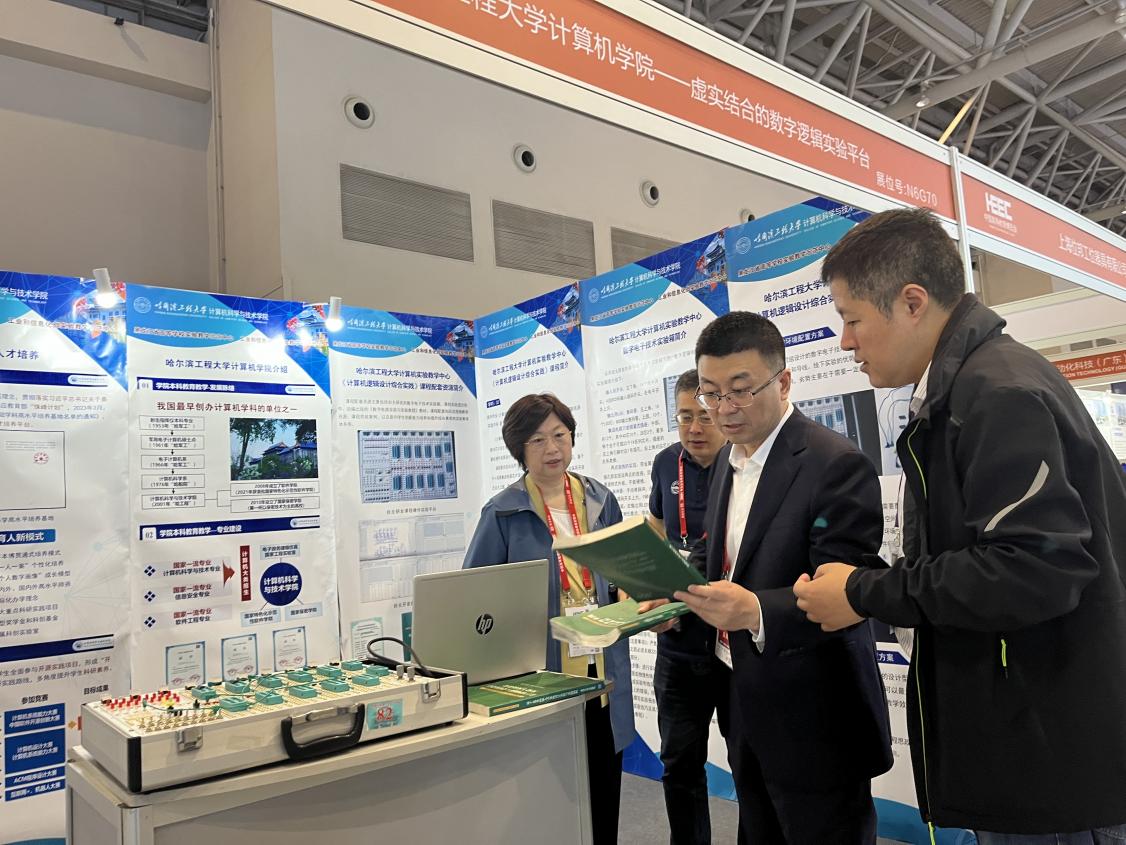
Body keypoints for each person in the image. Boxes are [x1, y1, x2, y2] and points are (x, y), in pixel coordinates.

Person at [793, 207, 1126, 843]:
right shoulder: (971, 388)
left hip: (1051, 758)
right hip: (1032, 737)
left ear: (912, 302)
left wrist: (865, 592)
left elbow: (1034, 569)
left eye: (852, 319)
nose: (845, 342)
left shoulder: (996, 394)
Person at [671, 312, 893, 844]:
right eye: (710, 393)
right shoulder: (728, 461)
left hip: (815, 711)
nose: (723, 409)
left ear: (784, 381)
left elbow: (848, 590)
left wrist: (756, 611)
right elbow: (720, 554)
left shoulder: (834, 463)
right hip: (741, 692)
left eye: (740, 390)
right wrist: (672, 593)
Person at [463, 393, 635, 845]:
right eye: (537, 440)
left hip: (603, 668)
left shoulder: (599, 499)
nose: (552, 448)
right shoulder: (503, 512)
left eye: (559, 435)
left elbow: (621, 573)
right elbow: (476, 598)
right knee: (551, 799)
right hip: (544, 675)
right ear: (519, 449)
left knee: (604, 788)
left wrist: (629, 591)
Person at [646, 369, 727, 845]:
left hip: (732, 640)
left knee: (751, 759)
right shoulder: (665, 463)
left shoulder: (744, 463)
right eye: (683, 417)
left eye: (704, 415)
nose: (694, 428)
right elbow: (658, 526)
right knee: (679, 763)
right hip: (677, 641)